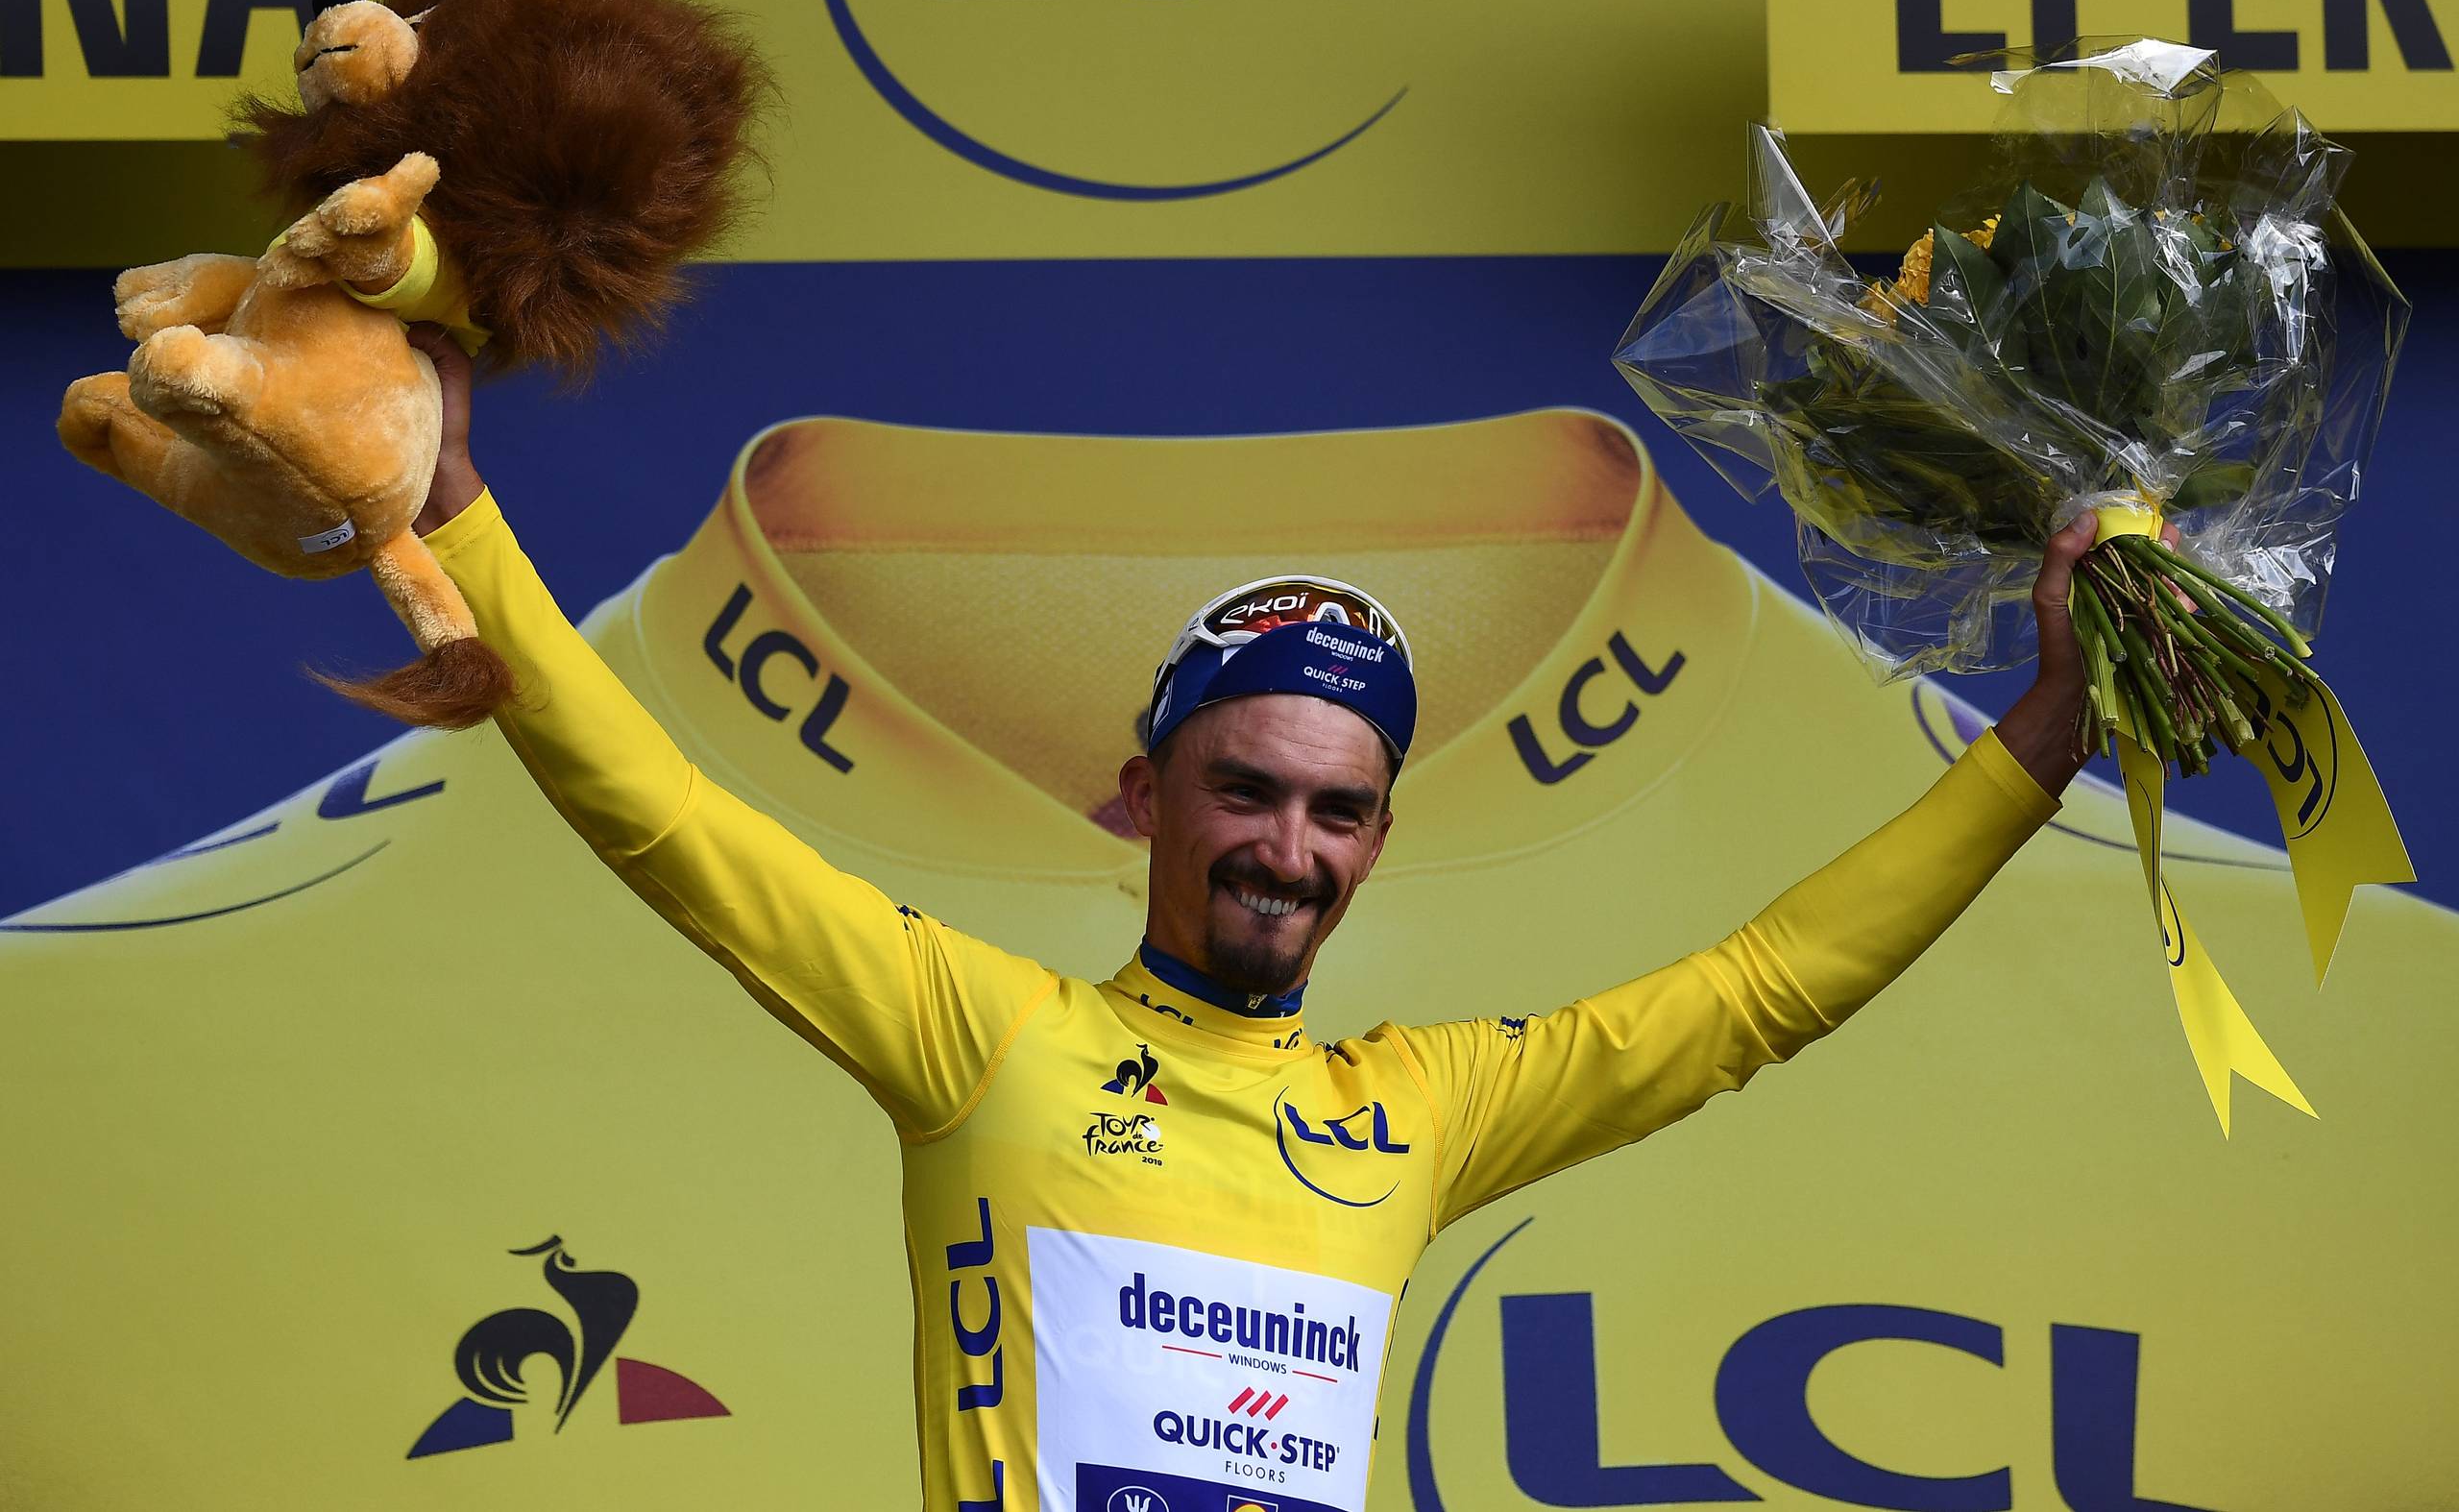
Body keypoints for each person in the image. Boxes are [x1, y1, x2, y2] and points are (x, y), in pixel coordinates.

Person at [399, 327, 2101, 1509]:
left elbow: (1762, 992)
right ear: (1144, 798)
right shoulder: (983, 1042)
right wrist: (457, 518)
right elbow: (666, 819)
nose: (1288, 848)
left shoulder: (1422, 1110)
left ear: (1376, 844)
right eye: (1246, 790)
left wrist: (2052, 728)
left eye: (1336, 811)